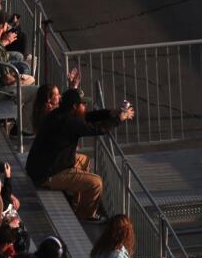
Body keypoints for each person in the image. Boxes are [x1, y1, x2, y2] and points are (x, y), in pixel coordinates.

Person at [24, 89, 132, 221]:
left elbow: (87, 116)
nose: (85, 107)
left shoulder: (59, 114)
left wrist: (111, 113)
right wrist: (119, 119)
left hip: (42, 166)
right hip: (47, 174)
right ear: (74, 106)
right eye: (83, 104)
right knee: (96, 183)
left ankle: (76, 200)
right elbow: (98, 129)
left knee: (84, 159)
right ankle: (85, 215)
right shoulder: (69, 123)